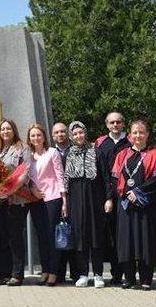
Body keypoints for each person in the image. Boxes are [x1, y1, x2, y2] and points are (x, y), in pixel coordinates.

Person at [109, 120, 156, 290]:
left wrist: (138, 192)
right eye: (134, 132)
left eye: (141, 132)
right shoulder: (122, 154)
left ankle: (145, 279)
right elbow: (115, 178)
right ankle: (129, 278)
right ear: (130, 135)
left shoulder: (155, 154)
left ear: (147, 135)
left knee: (145, 241)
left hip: (146, 205)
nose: (138, 136)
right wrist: (123, 194)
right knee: (126, 241)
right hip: (126, 205)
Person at [0, 119, 32, 286]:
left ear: (14, 131)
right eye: (3, 129)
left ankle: (17, 273)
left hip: (15, 199)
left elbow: (24, 173)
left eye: (8, 129)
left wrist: (8, 192)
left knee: (15, 236)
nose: (5, 131)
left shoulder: (22, 149)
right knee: (0, 237)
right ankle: (1, 273)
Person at [64, 121, 110, 288]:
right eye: (75, 134)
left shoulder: (96, 151)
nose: (78, 136)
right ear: (71, 136)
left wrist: (108, 198)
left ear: (85, 133)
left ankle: (98, 274)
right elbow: (66, 181)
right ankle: (83, 274)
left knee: (96, 237)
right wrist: (65, 203)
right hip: (76, 200)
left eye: (81, 133)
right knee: (80, 237)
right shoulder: (69, 154)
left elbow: (106, 178)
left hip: (95, 199)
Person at [27, 124, 67, 286]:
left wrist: (64, 200)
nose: (36, 138)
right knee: (41, 237)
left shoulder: (52, 153)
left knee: (52, 237)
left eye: (38, 135)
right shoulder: (28, 156)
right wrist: (32, 189)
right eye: (32, 135)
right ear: (29, 138)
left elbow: (60, 175)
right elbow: (27, 179)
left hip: (52, 198)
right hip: (36, 200)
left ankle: (53, 272)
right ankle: (45, 270)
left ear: (44, 137)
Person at [94, 112, 131, 285]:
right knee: (108, 235)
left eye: (118, 122)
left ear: (123, 124)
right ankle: (115, 272)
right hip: (106, 196)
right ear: (107, 125)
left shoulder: (130, 142)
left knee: (124, 234)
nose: (115, 125)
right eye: (112, 122)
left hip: (126, 194)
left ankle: (126, 272)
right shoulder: (101, 143)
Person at [51, 122, 79, 283]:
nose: (60, 134)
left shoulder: (75, 150)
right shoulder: (50, 152)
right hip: (56, 198)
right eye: (57, 132)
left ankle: (75, 272)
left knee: (73, 234)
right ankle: (59, 272)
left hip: (74, 197)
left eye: (63, 131)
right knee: (59, 234)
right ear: (53, 136)